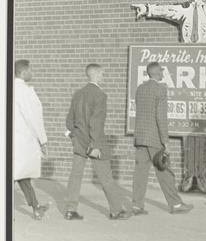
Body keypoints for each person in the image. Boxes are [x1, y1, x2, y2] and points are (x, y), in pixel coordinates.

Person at [131, 0, 206, 194]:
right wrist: (148, 9)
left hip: (204, 75)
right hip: (189, 73)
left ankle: (202, 175)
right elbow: (167, 10)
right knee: (190, 131)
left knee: (204, 129)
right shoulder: (185, 9)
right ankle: (190, 175)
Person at [64, 64, 129, 220]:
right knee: (106, 176)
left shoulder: (78, 94)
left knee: (75, 176)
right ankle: (116, 210)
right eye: (102, 74)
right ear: (97, 74)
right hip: (94, 143)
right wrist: (94, 146)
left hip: (79, 141)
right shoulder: (100, 95)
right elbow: (96, 123)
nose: (103, 77)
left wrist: (75, 138)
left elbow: (69, 121)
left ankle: (70, 210)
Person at [132, 62, 193, 214]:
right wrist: (166, 142)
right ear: (157, 73)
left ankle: (137, 206)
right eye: (161, 71)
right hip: (154, 138)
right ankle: (176, 205)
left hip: (140, 137)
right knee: (164, 171)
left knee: (140, 173)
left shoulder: (140, 89)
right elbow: (161, 118)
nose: (163, 73)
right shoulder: (160, 90)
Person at [13, 59, 49, 220]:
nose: (32, 73)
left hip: (13, 141)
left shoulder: (8, 88)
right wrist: (42, 140)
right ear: (23, 72)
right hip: (22, 141)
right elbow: (32, 117)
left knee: (20, 174)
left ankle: (36, 206)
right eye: (30, 70)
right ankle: (35, 207)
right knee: (16, 174)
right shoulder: (24, 91)